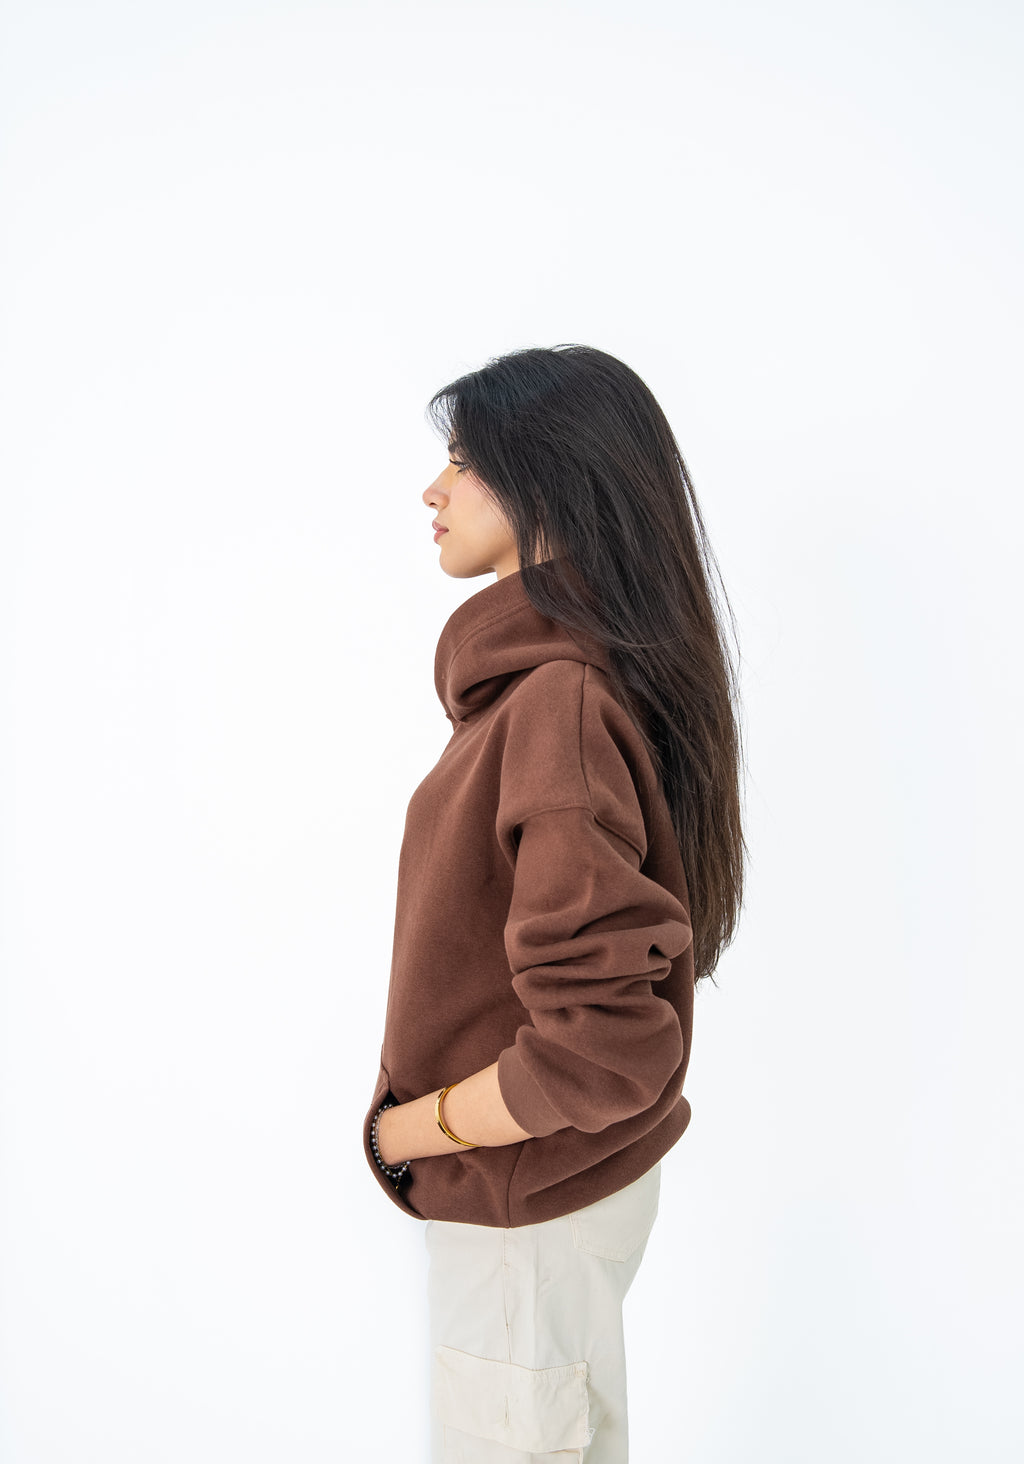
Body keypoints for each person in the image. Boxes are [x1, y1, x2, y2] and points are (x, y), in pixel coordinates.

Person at [362, 344, 746, 1462]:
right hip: (537, 1196)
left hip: (525, 1201)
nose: (432, 492)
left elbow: (602, 1046)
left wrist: (410, 1131)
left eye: (464, 463)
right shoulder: (554, 689)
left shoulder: (554, 702)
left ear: (549, 483)